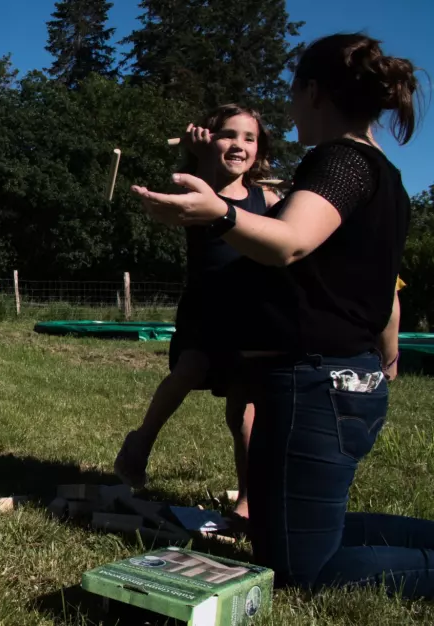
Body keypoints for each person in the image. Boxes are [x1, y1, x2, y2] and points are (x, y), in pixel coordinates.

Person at [131, 33, 431, 597]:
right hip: (340, 380)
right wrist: (387, 349)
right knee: (291, 533)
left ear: (313, 92)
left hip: (318, 386)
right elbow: (382, 286)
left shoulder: (340, 160)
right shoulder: (385, 174)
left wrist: (216, 211)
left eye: (293, 95)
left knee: (300, 570)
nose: (289, 110)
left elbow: (289, 241)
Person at [115, 105, 281, 522]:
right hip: (207, 307)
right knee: (189, 369)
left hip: (250, 315)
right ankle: (141, 440)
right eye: (228, 135)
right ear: (209, 140)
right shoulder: (201, 189)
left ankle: (246, 499)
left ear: (260, 149)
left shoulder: (270, 198)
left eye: (249, 137)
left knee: (244, 411)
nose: (239, 145)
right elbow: (197, 198)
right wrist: (202, 156)